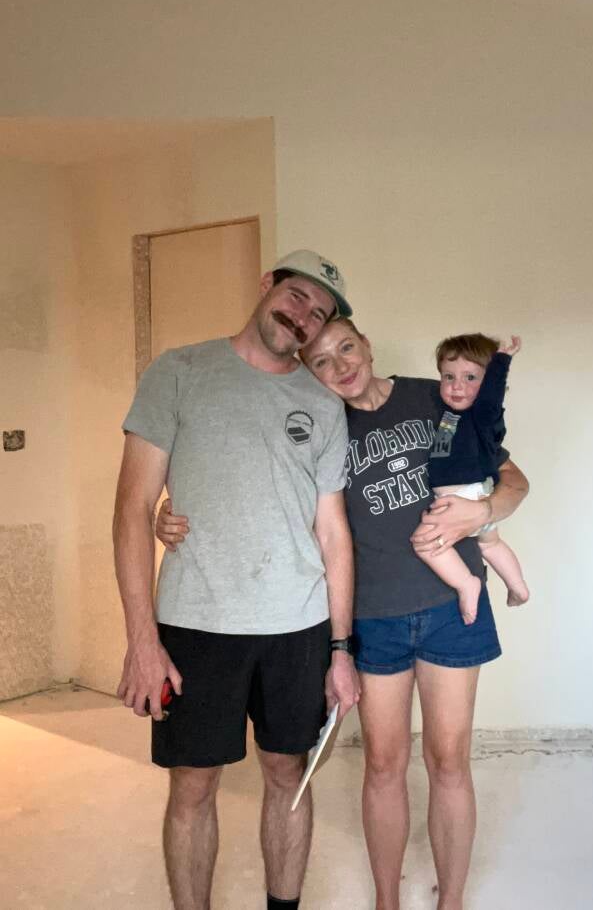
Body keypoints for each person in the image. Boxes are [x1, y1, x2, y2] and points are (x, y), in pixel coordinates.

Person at [158, 315, 529, 910]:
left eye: (347, 348)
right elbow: (265, 496)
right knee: (382, 764)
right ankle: (386, 900)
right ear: (309, 372)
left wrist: (481, 514)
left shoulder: (434, 396)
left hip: (450, 609)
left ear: (368, 345)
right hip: (373, 619)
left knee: (449, 760)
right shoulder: (315, 422)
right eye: (322, 361)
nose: (340, 366)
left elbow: (512, 480)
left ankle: (451, 900)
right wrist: (172, 515)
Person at [113, 249, 361, 910]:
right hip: (195, 624)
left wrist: (341, 649)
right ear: (266, 285)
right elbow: (133, 509)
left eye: (321, 313)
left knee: (289, 773)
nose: (304, 316)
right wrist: (142, 641)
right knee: (193, 785)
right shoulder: (180, 371)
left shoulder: (323, 404)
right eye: (298, 296)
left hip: (297, 627)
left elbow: (333, 533)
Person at [420, 332, 530, 625]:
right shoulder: (450, 414)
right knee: (490, 544)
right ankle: (518, 587)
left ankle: (466, 583)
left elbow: (491, 397)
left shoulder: (481, 416)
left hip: (461, 497)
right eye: (448, 376)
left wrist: (502, 360)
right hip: (475, 493)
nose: (457, 386)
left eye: (470, 377)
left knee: (425, 543)